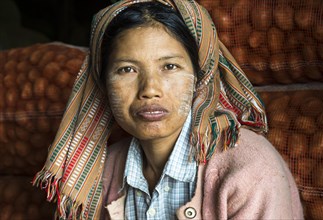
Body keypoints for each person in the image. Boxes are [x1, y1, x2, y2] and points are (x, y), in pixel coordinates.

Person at [33, 0, 304, 219]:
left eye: (170, 66)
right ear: (103, 83)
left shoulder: (249, 171)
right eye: (126, 69)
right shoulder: (102, 172)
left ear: (200, 77)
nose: (149, 88)